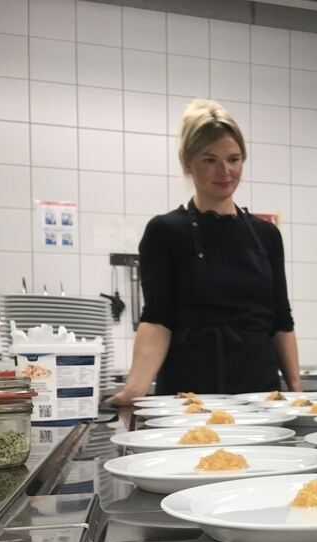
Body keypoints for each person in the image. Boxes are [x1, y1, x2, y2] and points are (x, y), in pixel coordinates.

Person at [110, 99, 301, 402]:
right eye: (210, 160)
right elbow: (158, 320)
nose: (225, 171)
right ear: (188, 163)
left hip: (259, 392)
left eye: (234, 159)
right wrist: (135, 389)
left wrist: (297, 392)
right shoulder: (165, 231)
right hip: (189, 392)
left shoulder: (266, 235)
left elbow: (281, 322)